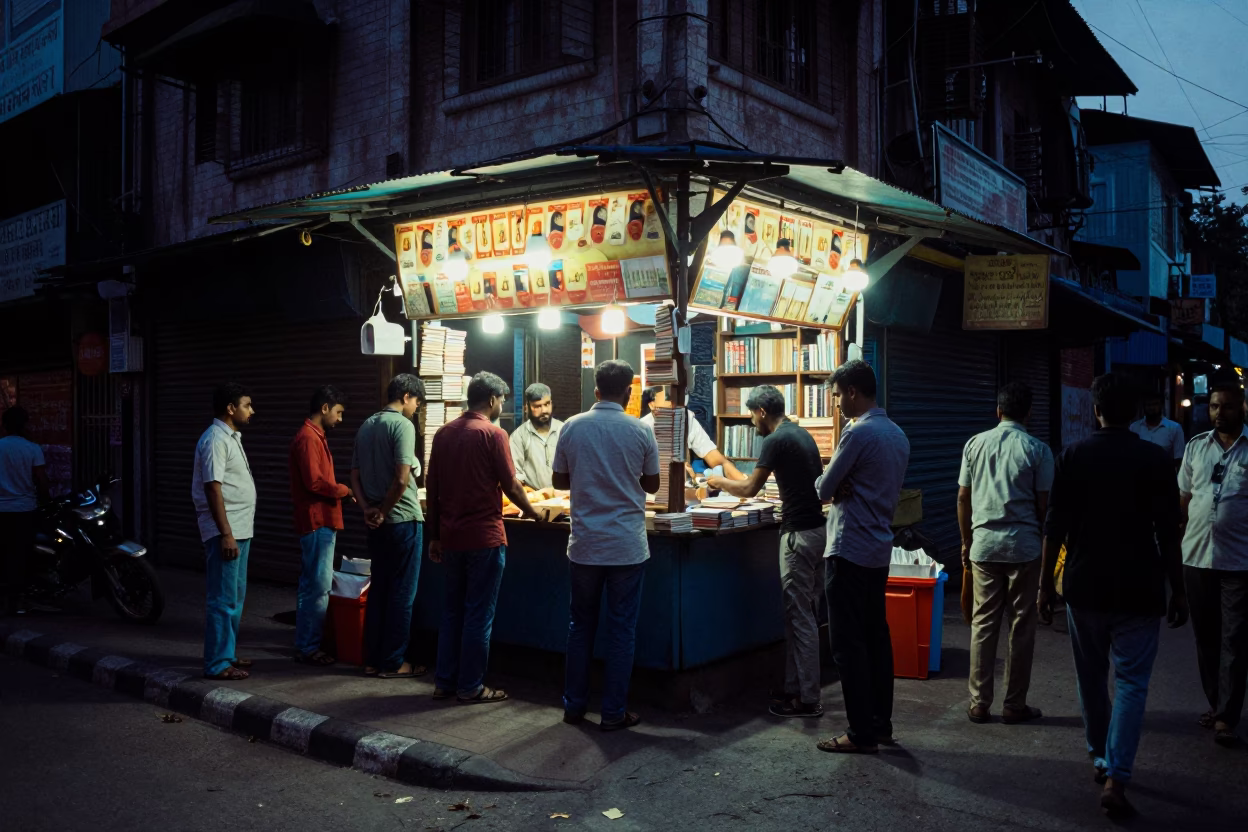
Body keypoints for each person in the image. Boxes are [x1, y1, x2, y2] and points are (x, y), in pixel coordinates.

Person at [1039, 373, 1187, 819]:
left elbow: (1054, 527)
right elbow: (1168, 532)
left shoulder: (1073, 457)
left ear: (1094, 410)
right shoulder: (1155, 460)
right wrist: (1177, 590)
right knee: (1132, 684)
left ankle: (1100, 756)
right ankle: (1116, 777)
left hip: (1084, 588)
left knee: (1091, 678)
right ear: (1137, 412)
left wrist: (1046, 585)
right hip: (1140, 588)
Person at [553, 360, 660, 731]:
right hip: (627, 547)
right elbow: (653, 486)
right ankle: (613, 713)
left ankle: (573, 707)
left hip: (584, 546)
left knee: (580, 627)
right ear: (629, 393)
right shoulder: (641, 431)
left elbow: (559, 481)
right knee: (621, 630)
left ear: (595, 390)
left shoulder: (571, 426)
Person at [707, 385, 827, 718]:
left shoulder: (775, 440)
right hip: (817, 532)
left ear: (761, 411)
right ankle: (795, 689)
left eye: (750, 414)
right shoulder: (800, 433)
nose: (749, 421)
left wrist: (717, 483)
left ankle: (808, 699)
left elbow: (748, 487)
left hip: (798, 537)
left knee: (799, 617)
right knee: (802, 616)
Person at [813, 360, 909, 754]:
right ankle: (880, 724)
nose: (834, 403)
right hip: (877, 549)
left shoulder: (858, 434)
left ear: (853, 391)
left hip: (848, 548)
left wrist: (836, 482)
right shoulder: (897, 434)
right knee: (876, 639)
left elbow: (822, 487)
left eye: (836, 395)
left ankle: (858, 732)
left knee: (847, 644)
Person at [427, 371, 539, 704]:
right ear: (491, 400)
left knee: (451, 612)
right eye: (502, 400)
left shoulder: (444, 433)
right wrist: (533, 512)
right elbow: (511, 485)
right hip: (484, 538)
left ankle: (444, 682)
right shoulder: (494, 434)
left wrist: (434, 536)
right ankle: (471, 686)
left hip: (451, 537)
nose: (502, 406)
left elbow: (433, 490)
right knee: (478, 614)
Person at [957, 382, 1054, 725]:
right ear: (1029, 413)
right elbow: (1044, 505)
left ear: (998, 411)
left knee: (983, 624)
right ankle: (1014, 704)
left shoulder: (974, 444)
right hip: (1023, 546)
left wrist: (967, 542)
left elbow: (963, 498)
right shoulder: (1038, 450)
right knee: (1021, 626)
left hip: (984, 545)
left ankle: (979, 703)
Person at [1179, 370, 1248, 748]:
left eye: (1227, 407)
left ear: (1242, 408)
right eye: (1214, 406)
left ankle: (1226, 717)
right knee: (1206, 638)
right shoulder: (1196, 447)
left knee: (1234, 640)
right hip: (1196, 557)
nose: (1219, 413)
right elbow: (1184, 498)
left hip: (1239, 561)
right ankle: (1216, 703)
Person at [350, 374, 426, 679]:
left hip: (376, 524)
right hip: (403, 520)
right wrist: (383, 510)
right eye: (417, 403)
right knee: (402, 593)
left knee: (379, 589)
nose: (415, 409)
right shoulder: (402, 425)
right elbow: (402, 479)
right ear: (407, 396)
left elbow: (353, 475)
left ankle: (371, 659)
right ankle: (394, 662)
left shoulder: (367, 425)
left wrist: (369, 509)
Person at [192, 383, 258, 682]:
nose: (251, 410)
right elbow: (212, 487)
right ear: (230, 408)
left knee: (235, 596)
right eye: (247, 404)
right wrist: (226, 534)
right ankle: (217, 663)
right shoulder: (215, 439)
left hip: (239, 529)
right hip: (226, 531)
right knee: (222, 598)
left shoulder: (230, 437)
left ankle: (227, 653)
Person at [288, 385, 351, 666]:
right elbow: (314, 481)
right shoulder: (308, 439)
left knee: (312, 585)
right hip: (317, 521)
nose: (340, 419)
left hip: (319, 520)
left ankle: (306, 644)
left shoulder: (314, 437)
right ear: (325, 408)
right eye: (338, 412)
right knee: (318, 586)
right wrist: (343, 491)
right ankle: (309, 647)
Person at [0, 407, 50, 616]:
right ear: (25, 425)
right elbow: (41, 480)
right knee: (22, 555)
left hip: (2, 510)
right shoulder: (32, 448)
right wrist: (47, 500)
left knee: (4, 554)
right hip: (24, 509)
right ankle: (19, 599)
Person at [641, 385, 745, 480]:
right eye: (668, 398)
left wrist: (745, 485)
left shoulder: (688, 420)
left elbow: (719, 462)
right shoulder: (641, 429)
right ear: (652, 404)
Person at [509, 382, 563, 492]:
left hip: (564, 499)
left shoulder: (564, 430)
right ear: (526, 408)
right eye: (537, 406)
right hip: (534, 500)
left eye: (547, 404)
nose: (544, 411)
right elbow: (515, 476)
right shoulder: (518, 437)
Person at [1130, 392, 1185, 472]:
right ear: (1144, 407)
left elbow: (1179, 458)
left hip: (1164, 476)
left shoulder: (1174, 428)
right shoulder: (1134, 427)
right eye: (1148, 405)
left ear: (1161, 406)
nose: (1151, 408)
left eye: (1155, 404)